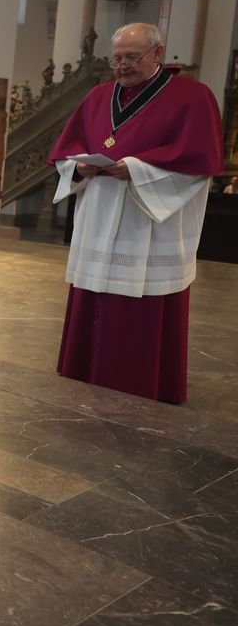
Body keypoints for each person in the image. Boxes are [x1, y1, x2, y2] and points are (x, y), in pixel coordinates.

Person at [48, 22, 224, 404]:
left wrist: (138, 170)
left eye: (132, 56)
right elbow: (66, 152)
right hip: (99, 213)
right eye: (117, 58)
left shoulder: (193, 97)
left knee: (139, 308)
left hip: (146, 222)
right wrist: (78, 167)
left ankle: (139, 382)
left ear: (158, 53)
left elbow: (199, 164)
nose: (122, 65)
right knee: (93, 296)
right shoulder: (98, 96)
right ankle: (84, 371)